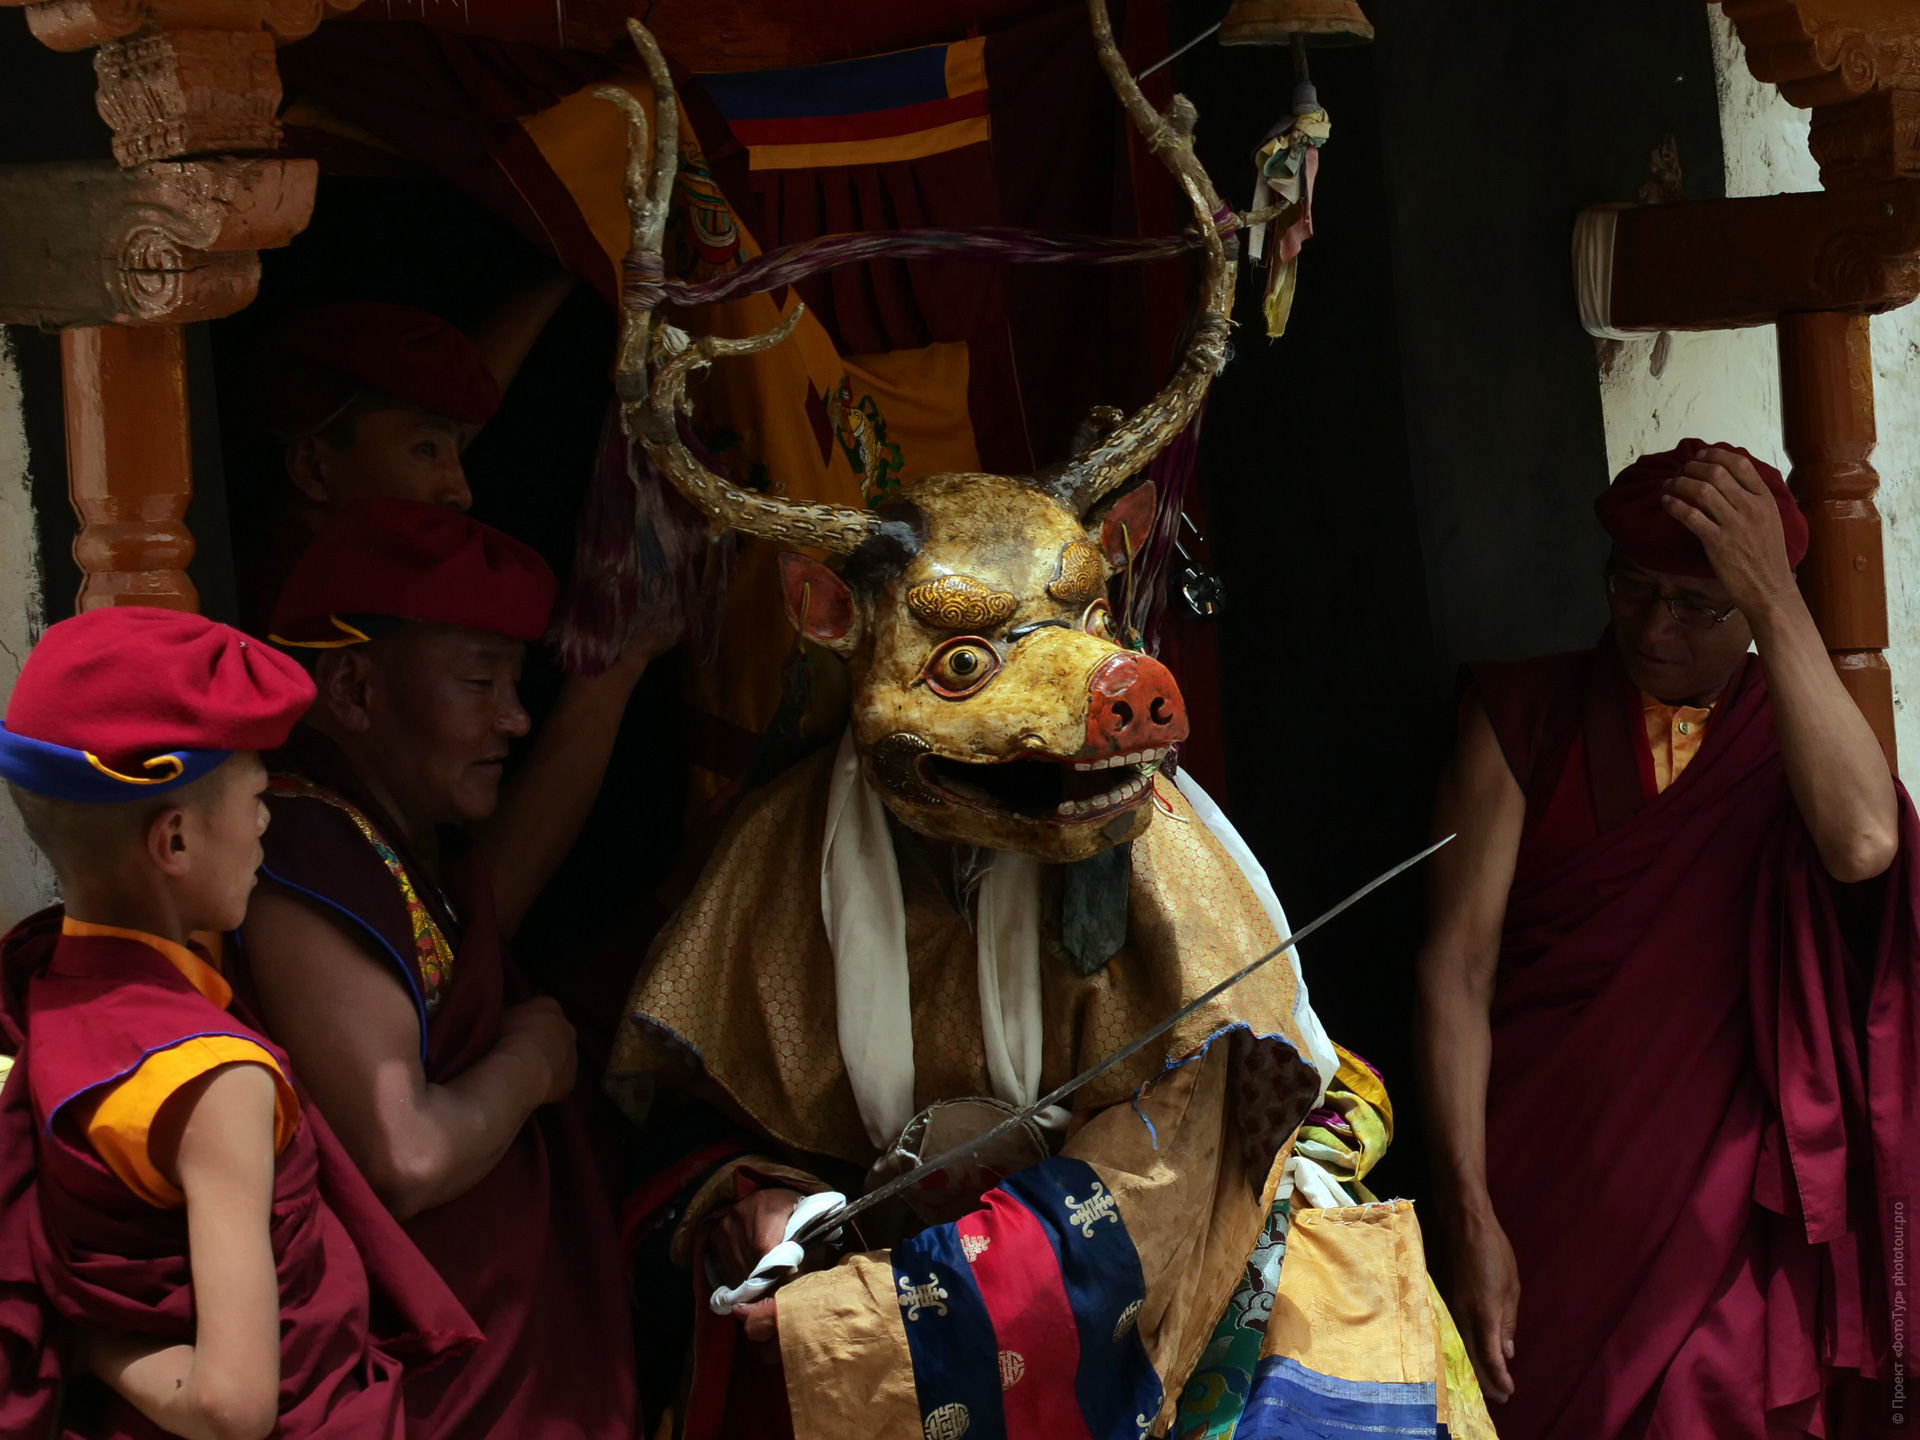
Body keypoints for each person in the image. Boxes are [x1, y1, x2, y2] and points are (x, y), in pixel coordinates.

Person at [1416, 439, 1919, 1438]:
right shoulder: (1526, 716)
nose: (1653, 628)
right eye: (1633, 590)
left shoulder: (1791, 733)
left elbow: (1866, 845)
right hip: (1549, 1192)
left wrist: (1775, 601)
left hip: (1722, 1211)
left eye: (1699, 605)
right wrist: (1468, 1216)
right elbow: (1455, 968)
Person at [0, 607, 477, 1439]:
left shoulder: (39, 986)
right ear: (176, 841)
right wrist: (99, 1344)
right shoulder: (212, 1076)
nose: (268, 824)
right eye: (259, 798)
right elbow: (233, 1403)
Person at [235, 498, 638, 1440]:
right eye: (479, 682)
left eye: (515, 682)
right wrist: (532, 1066)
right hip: (438, 1388)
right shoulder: (301, 850)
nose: (515, 717)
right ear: (354, 692)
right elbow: (404, 1156)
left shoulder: (395, 844)